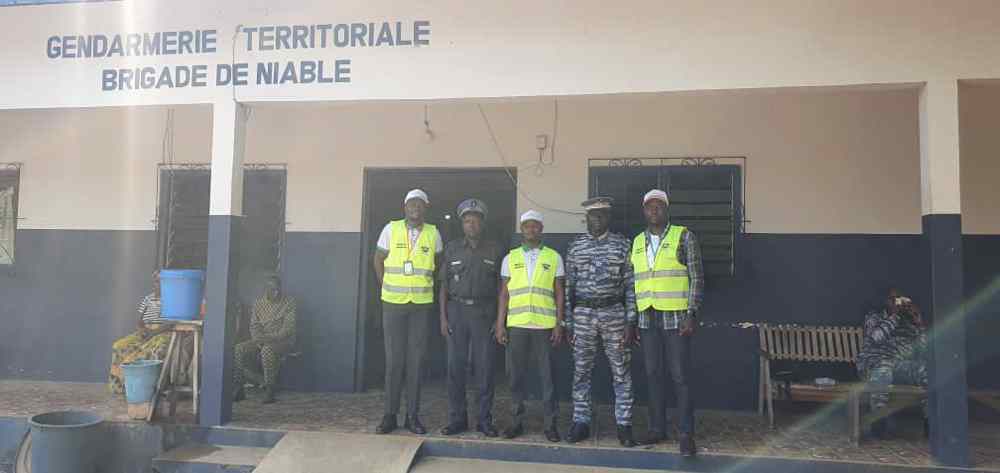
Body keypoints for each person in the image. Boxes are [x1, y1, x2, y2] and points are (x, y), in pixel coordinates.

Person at [632, 189, 703, 457]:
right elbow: (634, 281)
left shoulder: (683, 236)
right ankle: (656, 428)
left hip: (676, 317)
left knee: (680, 376)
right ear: (644, 211)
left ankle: (686, 434)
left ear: (666, 209)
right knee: (652, 374)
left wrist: (691, 313)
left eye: (659, 206)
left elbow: (697, 277)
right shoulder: (637, 241)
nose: (654, 211)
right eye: (649, 207)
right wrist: (633, 319)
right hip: (646, 316)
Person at [564, 197, 639, 447]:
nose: (597, 219)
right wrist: (568, 323)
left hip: (614, 313)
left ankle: (624, 424)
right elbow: (568, 289)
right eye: (593, 215)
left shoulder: (622, 246)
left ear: (609, 218)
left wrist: (630, 321)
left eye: (602, 215)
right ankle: (581, 421)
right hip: (583, 314)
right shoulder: (575, 247)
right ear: (586, 218)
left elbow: (630, 286)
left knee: (621, 371)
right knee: (581, 371)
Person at [373, 189, 444, 435]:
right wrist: (385, 286)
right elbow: (378, 259)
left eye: (420, 204)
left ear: (426, 207)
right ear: (404, 207)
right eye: (411, 203)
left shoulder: (434, 233)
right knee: (394, 361)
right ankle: (389, 415)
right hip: (393, 303)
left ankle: (412, 416)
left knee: (416, 362)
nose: (415, 207)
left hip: (421, 305)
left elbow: (437, 266)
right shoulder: (390, 229)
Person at [495, 210, 565, 442]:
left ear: (541, 230)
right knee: (515, 376)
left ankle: (550, 424)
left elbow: (559, 293)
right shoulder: (510, 257)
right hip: (517, 325)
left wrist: (559, 324)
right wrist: (500, 324)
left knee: (548, 377)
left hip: (545, 326)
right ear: (522, 230)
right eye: (527, 226)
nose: (531, 230)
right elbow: (504, 294)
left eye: (535, 226)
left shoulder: (554, 257)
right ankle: (516, 422)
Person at [438, 198, 502, 437]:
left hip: (485, 313)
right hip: (457, 313)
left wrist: (498, 320)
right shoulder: (452, 248)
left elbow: (500, 289)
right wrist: (443, 319)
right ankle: (457, 419)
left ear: (482, 223)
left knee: (484, 369)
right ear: (462, 224)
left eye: (475, 220)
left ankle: (484, 420)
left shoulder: (495, 249)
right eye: (467, 220)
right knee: (455, 368)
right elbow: (443, 287)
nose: (471, 224)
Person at [857, 288, 928, 439]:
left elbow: (923, 349)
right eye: (892, 299)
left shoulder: (909, 321)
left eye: (899, 298)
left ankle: (931, 422)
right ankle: (879, 422)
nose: (897, 302)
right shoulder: (874, 317)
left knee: (927, 370)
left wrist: (918, 323)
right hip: (874, 363)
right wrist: (894, 316)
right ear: (885, 301)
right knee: (883, 370)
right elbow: (876, 337)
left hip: (900, 365)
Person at [233, 274, 297, 404]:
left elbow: (287, 329)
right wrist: (258, 339)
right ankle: (239, 388)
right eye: (273, 289)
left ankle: (270, 389)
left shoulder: (289, 302)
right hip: (261, 340)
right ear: (266, 289)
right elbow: (254, 326)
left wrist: (267, 340)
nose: (276, 292)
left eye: (278, 289)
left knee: (267, 350)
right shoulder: (258, 304)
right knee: (239, 349)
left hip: (283, 341)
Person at [109, 270, 171, 394]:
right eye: (156, 281)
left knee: (150, 350)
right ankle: (119, 386)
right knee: (119, 345)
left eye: (161, 281)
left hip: (162, 332)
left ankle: (142, 388)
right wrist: (142, 330)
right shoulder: (148, 299)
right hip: (146, 331)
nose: (158, 284)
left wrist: (153, 333)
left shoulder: (172, 299)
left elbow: (171, 322)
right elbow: (139, 321)